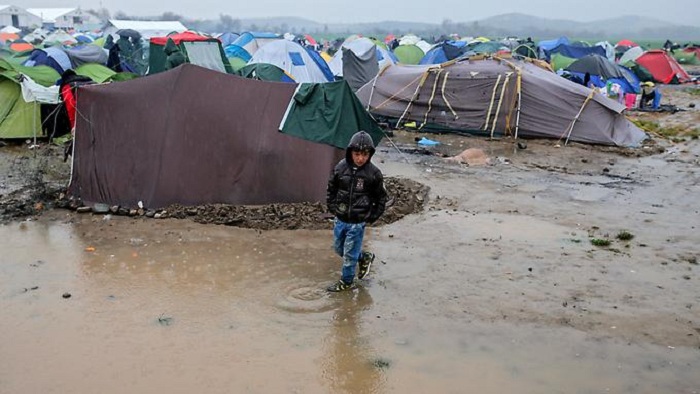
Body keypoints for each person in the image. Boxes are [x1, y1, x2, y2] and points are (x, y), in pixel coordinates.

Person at [326, 131, 388, 292]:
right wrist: (332, 206)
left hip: (357, 222)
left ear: (370, 154)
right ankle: (364, 257)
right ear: (350, 152)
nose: (360, 158)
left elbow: (381, 198)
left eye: (365, 154)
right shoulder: (340, 168)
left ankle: (346, 282)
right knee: (339, 248)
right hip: (340, 218)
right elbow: (331, 188)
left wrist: (372, 216)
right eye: (357, 154)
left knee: (349, 256)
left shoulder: (373, 174)